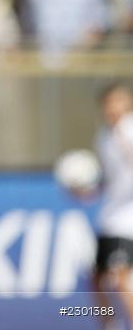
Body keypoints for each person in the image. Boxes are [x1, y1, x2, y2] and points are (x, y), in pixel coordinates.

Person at [90, 84, 133, 330]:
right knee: (96, 277)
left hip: (129, 218)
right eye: (109, 102)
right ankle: (109, 325)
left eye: (118, 101)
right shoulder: (103, 137)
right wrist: (88, 190)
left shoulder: (129, 129)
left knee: (120, 277)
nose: (113, 107)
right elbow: (109, 180)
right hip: (110, 216)